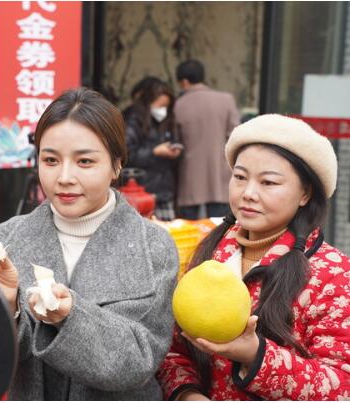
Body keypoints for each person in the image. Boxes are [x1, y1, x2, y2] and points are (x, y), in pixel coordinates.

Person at [0, 88, 179, 400]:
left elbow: (139, 361)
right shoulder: (11, 236)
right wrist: (3, 303)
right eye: (50, 160)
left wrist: (70, 316)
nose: (64, 177)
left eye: (84, 161)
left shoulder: (154, 246)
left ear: (116, 165)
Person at [157, 114, 350, 400]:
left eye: (268, 182)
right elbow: (173, 348)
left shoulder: (334, 274)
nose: (248, 193)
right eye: (240, 177)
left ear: (305, 194)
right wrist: (187, 393)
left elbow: (342, 385)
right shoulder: (210, 251)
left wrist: (256, 354)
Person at [174, 59, 240, 220]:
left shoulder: (179, 104)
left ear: (184, 82)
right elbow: (236, 135)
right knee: (220, 225)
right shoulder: (226, 100)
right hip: (220, 173)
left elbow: (176, 140)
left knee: (188, 227)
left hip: (190, 176)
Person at [123, 76, 181, 221]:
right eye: (159, 106)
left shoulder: (169, 121)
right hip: (139, 192)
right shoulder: (132, 119)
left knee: (166, 232)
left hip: (164, 191)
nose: (162, 110)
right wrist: (154, 152)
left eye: (166, 106)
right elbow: (125, 154)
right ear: (148, 102)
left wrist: (174, 151)